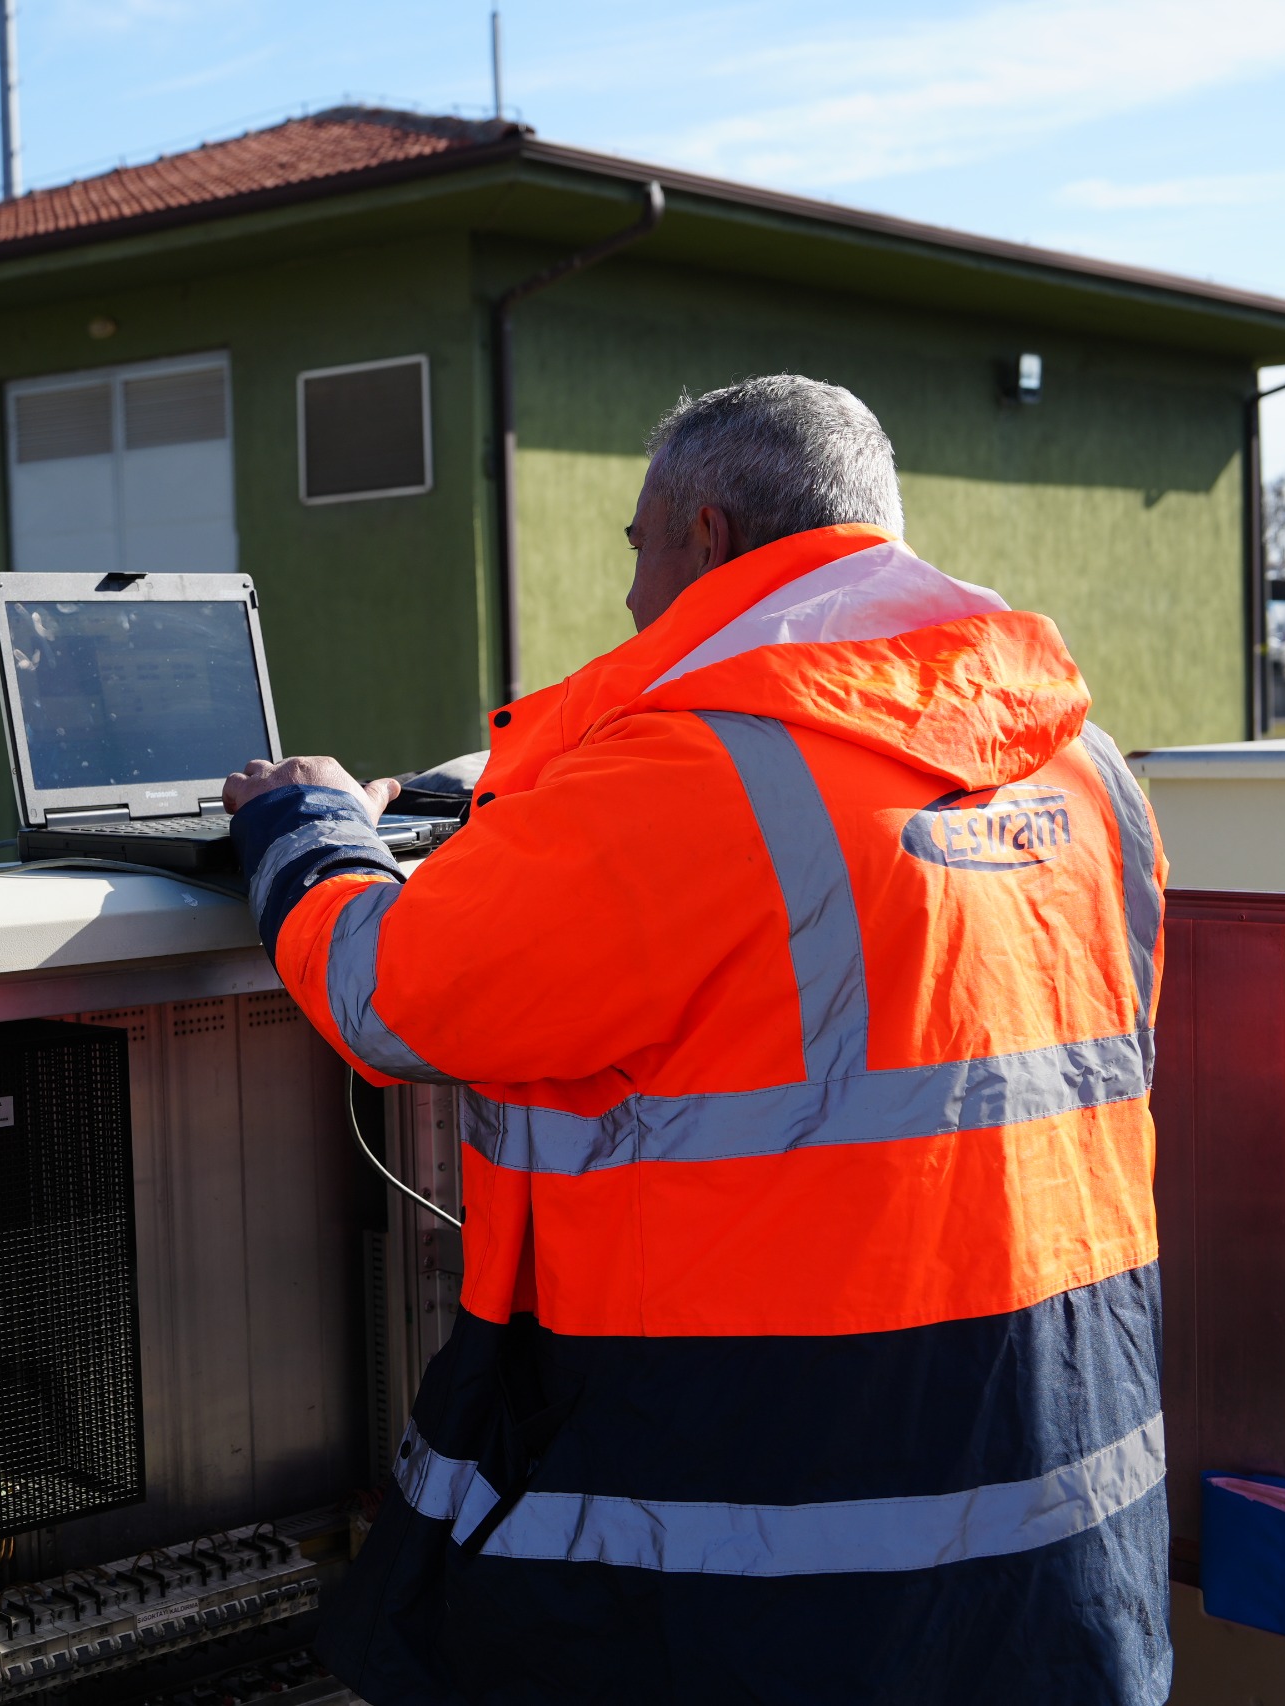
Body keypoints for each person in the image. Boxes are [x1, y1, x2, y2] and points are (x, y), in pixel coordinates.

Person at [224, 375, 1168, 1705]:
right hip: (1068, 1552)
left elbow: (392, 991)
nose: (625, 599)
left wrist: (311, 829)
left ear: (709, 536)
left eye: (635, 548)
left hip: (787, 1590)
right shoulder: (1086, 771)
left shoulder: (697, 771)